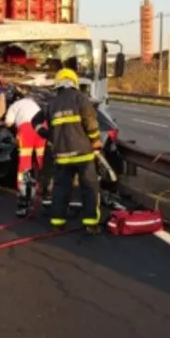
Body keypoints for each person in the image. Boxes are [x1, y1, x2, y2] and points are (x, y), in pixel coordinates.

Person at [35, 68, 103, 233]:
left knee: (61, 189)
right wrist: (95, 139)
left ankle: (57, 222)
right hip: (83, 154)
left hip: (62, 155)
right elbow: (90, 122)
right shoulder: (80, 98)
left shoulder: (51, 103)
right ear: (74, 82)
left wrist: (47, 134)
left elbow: (34, 121)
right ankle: (90, 223)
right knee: (89, 188)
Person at [4, 95, 45, 215]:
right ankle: (45, 187)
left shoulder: (14, 106)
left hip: (26, 129)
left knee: (24, 163)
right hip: (41, 128)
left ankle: (23, 193)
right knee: (42, 159)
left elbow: (8, 122)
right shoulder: (34, 103)